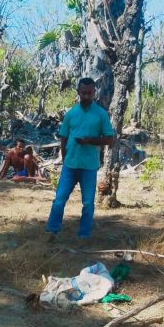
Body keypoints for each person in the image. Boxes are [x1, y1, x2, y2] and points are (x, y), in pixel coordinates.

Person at [46, 77, 115, 240]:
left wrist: (90, 140)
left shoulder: (101, 114)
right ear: (78, 93)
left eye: (89, 93)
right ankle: (52, 230)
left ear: (94, 93)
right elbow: (63, 137)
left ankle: (84, 235)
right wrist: (64, 157)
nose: (86, 96)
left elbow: (109, 139)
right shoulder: (71, 114)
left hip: (89, 167)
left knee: (88, 203)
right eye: (83, 93)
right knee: (59, 200)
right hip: (70, 165)